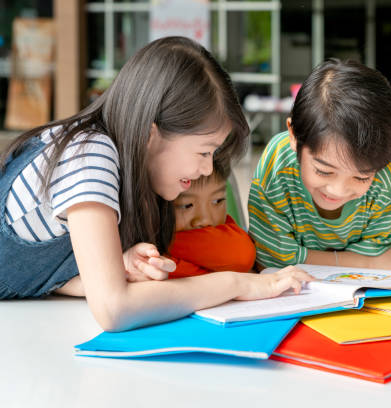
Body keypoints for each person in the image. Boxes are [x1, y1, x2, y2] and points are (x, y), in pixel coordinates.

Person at [0, 36, 312, 331]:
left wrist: (117, 267)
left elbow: (44, 279)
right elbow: (114, 309)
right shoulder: (90, 154)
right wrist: (239, 284)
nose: (206, 169)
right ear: (152, 134)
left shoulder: (116, 160)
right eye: (204, 151)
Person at [248, 59, 391, 276]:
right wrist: (368, 264)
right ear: (294, 135)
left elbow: (384, 250)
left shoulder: (383, 172)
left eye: (361, 178)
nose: (338, 190)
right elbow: (271, 258)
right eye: (324, 171)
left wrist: (303, 257)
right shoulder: (278, 165)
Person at [168, 162, 255, 278]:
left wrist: (166, 243)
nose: (205, 219)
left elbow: (243, 254)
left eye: (217, 201)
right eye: (186, 205)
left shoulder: (227, 232)